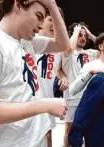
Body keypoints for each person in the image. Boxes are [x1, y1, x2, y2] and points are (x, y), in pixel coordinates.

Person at [0, 0, 69, 147]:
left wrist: (52, 5)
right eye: (38, 16)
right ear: (18, 5)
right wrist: (44, 104)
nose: (40, 25)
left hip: (36, 137)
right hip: (11, 142)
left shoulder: (27, 41)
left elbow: (63, 44)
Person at [60, 22, 99, 147]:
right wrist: (76, 32)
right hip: (72, 97)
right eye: (80, 36)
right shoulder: (67, 53)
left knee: (89, 130)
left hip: (88, 97)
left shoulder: (91, 53)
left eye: (84, 36)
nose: (83, 38)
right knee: (69, 129)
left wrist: (91, 35)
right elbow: (69, 48)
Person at [36, 7, 66, 147]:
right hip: (29, 102)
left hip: (48, 99)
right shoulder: (30, 41)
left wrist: (63, 76)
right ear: (41, 21)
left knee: (48, 135)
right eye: (51, 19)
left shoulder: (57, 50)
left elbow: (59, 69)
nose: (55, 24)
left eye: (57, 20)